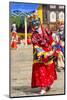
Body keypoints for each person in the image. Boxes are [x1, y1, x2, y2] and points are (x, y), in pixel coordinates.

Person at [31, 12, 57, 95]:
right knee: (41, 70)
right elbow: (35, 45)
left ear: (39, 23)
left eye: (36, 24)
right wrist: (42, 53)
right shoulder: (34, 34)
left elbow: (51, 40)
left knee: (49, 69)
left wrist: (53, 49)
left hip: (49, 51)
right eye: (33, 25)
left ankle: (48, 84)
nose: (35, 26)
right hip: (40, 54)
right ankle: (43, 87)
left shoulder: (46, 30)